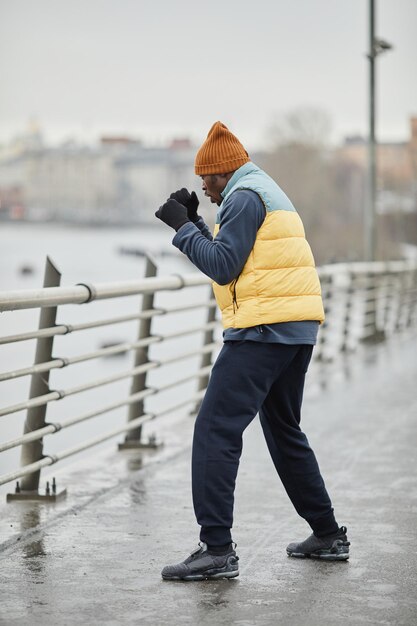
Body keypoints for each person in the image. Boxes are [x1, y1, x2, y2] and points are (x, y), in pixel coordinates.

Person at [155, 121, 349, 581]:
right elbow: (236, 256)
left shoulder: (243, 197)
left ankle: (216, 550)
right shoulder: (259, 191)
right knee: (283, 429)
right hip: (294, 328)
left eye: (207, 178)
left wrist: (182, 228)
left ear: (224, 172)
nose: (204, 186)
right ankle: (327, 535)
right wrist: (198, 222)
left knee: (215, 430)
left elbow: (223, 267)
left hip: (263, 329)